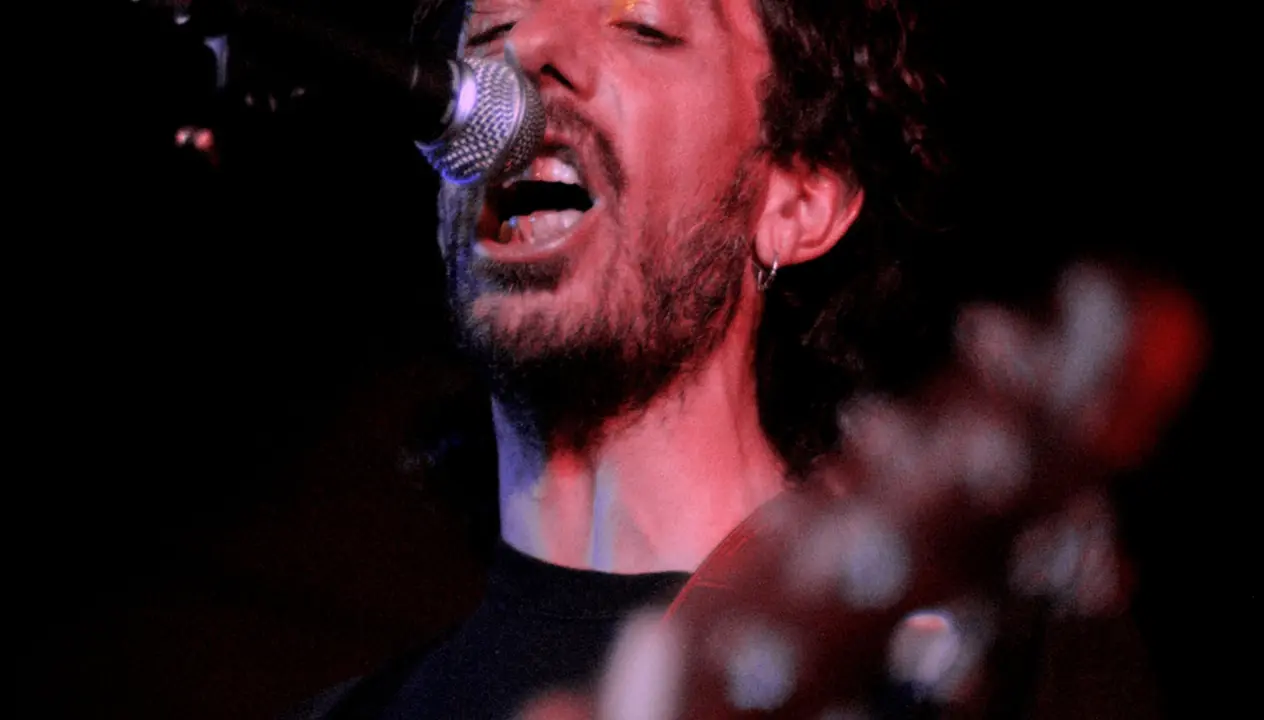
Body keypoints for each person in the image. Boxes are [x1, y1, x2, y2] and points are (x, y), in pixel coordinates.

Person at [291, 0, 1162, 717]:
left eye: (644, 25)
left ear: (799, 202)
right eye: (491, 30)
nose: (530, 52)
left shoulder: (986, 662)